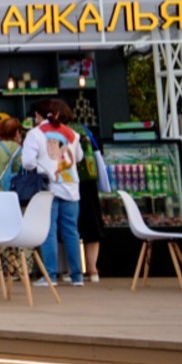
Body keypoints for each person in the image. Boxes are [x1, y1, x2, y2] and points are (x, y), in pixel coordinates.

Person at [27, 99, 83, 286]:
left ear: (39, 115)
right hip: (71, 187)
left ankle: (50, 276)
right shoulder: (72, 133)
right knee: (71, 232)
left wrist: (41, 167)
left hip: (48, 188)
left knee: (48, 231)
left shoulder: (35, 134)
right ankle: (77, 276)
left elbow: (28, 162)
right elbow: (79, 157)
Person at [72, 121, 104, 283]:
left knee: (70, 228)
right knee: (92, 224)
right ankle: (92, 269)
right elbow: (97, 150)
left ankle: (73, 270)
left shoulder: (59, 131)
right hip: (89, 181)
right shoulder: (84, 130)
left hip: (69, 182)